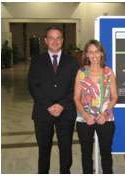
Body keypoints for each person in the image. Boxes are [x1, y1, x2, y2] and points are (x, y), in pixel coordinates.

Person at [28, 26, 79, 174]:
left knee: (66, 148)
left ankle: (65, 172)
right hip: (43, 112)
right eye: (51, 38)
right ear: (46, 40)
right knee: (43, 149)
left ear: (62, 40)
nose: (55, 41)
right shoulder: (37, 61)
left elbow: (75, 87)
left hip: (66, 112)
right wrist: (50, 105)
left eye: (58, 38)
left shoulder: (72, 61)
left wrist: (62, 105)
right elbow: (32, 85)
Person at [74, 39, 118, 174]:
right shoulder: (81, 72)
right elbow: (76, 97)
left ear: (101, 54)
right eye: (90, 52)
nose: (94, 56)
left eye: (97, 52)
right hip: (84, 119)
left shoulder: (108, 72)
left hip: (105, 119)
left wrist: (105, 113)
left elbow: (115, 96)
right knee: (86, 154)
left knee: (106, 153)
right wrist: (86, 115)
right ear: (86, 54)